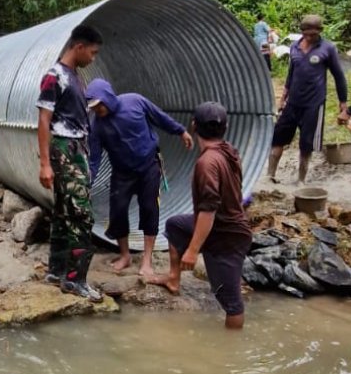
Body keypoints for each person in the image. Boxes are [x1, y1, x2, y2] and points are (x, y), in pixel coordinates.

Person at [85, 77, 193, 279]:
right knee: (117, 211)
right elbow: (95, 158)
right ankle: (125, 255)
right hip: (121, 172)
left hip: (148, 167)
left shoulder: (135, 101)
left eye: (99, 106)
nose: (97, 111)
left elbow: (160, 117)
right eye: (93, 108)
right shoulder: (97, 125)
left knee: (149, 209)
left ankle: (147, 260)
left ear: (108, 98)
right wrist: (88, 183)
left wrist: (181, 131)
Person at [159, 101, 252, 330]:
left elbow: (208, 211)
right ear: (226, 128)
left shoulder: (207, 163)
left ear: (193, 125)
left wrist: (192, 251)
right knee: (174, 226)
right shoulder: (229, 150)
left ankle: (230, 353)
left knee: (232, 304)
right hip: (221, 226)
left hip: (227, 235)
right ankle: (173, 278)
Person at [37, 24, 103, 300]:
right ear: (79, 47)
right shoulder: (55, 76)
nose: (93, 58)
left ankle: (57, 269)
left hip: (75, 148)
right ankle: (75, 279)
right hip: (65, 148)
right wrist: (45, 163)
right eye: (93, 52)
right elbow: (43, 120)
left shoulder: (74, 76)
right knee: (82, 215)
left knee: (65, 211)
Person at [269, 13, 348, 184]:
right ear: (302, 31)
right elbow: (291, 74)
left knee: (306, 144)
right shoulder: (294, 47)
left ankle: (301, 180)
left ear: (320, 31)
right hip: (292, 103)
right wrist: (283, 98)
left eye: (313, 34)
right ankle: (270, 175)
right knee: (277, 139)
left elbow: (339, 76)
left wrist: (343, 104)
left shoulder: (327, 48)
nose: (309, 37)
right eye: (306, 33)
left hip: (314, 105)